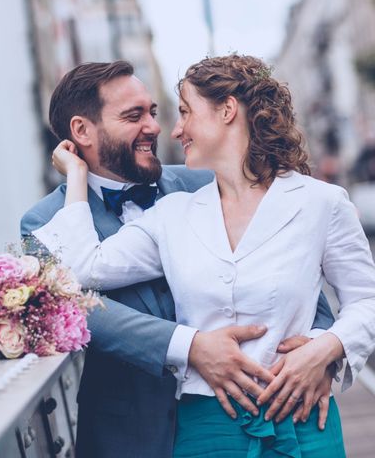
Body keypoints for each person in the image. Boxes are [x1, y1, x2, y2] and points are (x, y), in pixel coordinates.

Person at [21, 59, 337, 457]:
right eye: (134, 116)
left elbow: (299, 268)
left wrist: (320, 348)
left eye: (153, 112)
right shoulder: (42, 223)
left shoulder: (207, 180)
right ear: (82, 130)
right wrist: (190, 347)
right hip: (132, 435)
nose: (154, 127)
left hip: (252, 418)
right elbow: (79, 312)